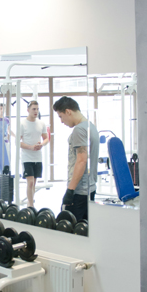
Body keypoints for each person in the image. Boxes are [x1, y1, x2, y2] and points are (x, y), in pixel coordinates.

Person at [53, 95, 98, 224]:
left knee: (70, 229)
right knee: (85, 230)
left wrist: (70, 190)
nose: (61, 121)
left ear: (68, 112)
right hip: (90, 189)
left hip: (79, 192)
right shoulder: (90, 126)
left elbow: (82, 161)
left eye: (61, 116)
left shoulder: (79, 130)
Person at [19, 100, 48, 208]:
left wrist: (42, 144)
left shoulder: (41, 123)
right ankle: (31, 205)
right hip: (27, 157)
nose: (36, 111)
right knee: (30, 182)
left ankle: (29, 202)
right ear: (28, 110)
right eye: (34, 109)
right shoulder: (22, 124)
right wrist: (30, 147)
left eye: (37, 109)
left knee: (34, 183)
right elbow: (18, 142)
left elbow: (46, 138)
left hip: (37, 157)